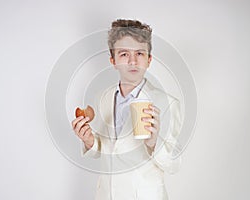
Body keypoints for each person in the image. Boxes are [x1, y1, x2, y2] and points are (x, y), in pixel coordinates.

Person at [71, 19, 182, 200]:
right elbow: (109, 149)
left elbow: (174, 164)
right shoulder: (104, 98)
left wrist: (154, 143)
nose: (132, 61)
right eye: (124, 54)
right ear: (113, 61)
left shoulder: (167, 102)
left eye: (139, 53)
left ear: (149, 60)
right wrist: (90, 141)